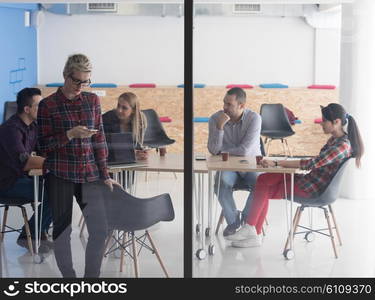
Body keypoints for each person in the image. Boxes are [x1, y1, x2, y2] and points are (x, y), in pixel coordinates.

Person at [228, 103, 364, 248]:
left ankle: (252, 230)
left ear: (336, 122)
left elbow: (311, 163)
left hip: (312, 190)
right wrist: (278, 163)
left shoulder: (342, 145)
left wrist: (276, 163)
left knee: (263, 185)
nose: (321, 123)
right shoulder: (335, 140)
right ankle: (253, 231)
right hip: (308, 181)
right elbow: (314, 163)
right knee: (263, 180)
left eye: (324, 121)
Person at [37, 54, 121, 277]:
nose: (81, 87)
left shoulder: (92, 101)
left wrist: (105, 174)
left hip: (90, 174)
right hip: (60, 174)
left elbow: (99, 138)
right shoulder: (48, 105)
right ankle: (70, 282)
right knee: (63, 232)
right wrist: (69, 134)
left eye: (86, 82)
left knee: (100, 229)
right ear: (65, 75)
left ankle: (91, 281)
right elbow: (43, 146)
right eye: (77, 82)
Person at [0, 88, 53, 253]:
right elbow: (26, 161)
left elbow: (44, 150)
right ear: (27, 109)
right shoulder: (11, 129)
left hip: (22, 178)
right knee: (54, 193)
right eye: (39, 106)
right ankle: (28, 236)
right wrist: (54, 163)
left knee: (62, 186)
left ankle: (37, 231)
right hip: (7, 183)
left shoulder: (33, 126)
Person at [207, 87, 262, 237]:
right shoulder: (215, 119)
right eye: (224, 103)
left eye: (229, 104)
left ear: (241, 106)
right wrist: (219, 128)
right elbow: (213, 150)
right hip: (228, 166)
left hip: (250, 164)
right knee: (220, 183)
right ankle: (233, 222)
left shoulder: (254, 118)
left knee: (261, 184)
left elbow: (244, 151)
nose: (224, 107)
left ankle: (246, 222)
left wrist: (223, 150)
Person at [102, 92, 148, 160]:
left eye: (124, 108)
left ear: (133, 110)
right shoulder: (107, 118)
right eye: (118, 106)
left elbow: (137, 144)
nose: (119, 110)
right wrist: (131, 154)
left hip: (127, 159)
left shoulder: (140, 119)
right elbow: (107, 148)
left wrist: (141, 152)